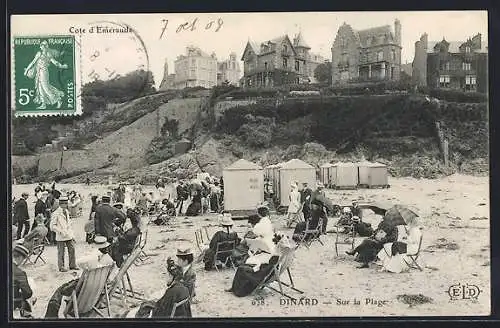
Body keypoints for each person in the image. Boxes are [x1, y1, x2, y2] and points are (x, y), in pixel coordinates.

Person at [44, 236, 115, 318]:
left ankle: (50, 317)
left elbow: (79, 262)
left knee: (60, 290)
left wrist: (90, 253)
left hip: (84, 286)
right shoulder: (110, 261)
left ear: (95, 246)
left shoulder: (92, 258)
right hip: (95, 292)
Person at [227, 233, 292, 297]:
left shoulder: (275, 256)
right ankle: (235, 288)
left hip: (261, 275)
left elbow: (265, 269)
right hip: (266, 272)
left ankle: (238, 291)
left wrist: (255, 268)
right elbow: (268, 266)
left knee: (241, 269)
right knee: (245, 266)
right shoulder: (280, 255)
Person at [127, 260, 192, 318]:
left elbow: (161, 310)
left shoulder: (171, 291)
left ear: (171, 276)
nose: (165, 277)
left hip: (167, 317)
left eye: (166, 274)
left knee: (145, 306)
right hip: (179, 316)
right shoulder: (184, 288)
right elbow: (166, 304)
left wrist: (153, 304)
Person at [23, 40, 68, 109]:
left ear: (46, 47)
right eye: (41, 45)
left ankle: (58, 100)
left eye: (44, 45)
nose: (42, 47)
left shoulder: (48, 54)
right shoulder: (39, 53)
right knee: (40, 88)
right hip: (38, 72)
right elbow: (33, 62)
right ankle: (43, 104)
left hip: (44, 72)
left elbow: (55, 63)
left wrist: (62, 66)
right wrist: (26, 70)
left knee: (46, 88)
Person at [50, 196, 78, 272]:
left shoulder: (66, 212)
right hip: (61, 236)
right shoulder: (56, 213)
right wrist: (60, 231)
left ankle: (72, 265)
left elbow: (69, 224)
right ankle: (61, 266)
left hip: (69, 235)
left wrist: (72, 235)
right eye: (65, 204)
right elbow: (52, 226)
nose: (66, 205)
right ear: (61, 204)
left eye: (67, 203)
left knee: (72, 249)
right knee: (61, 252)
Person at [13, 244, 35, 318]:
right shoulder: (20, 272)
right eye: (23, 259)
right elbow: (28, 293)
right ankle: (26, 314)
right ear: (20, 257)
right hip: (12, 301)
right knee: (30, 284)